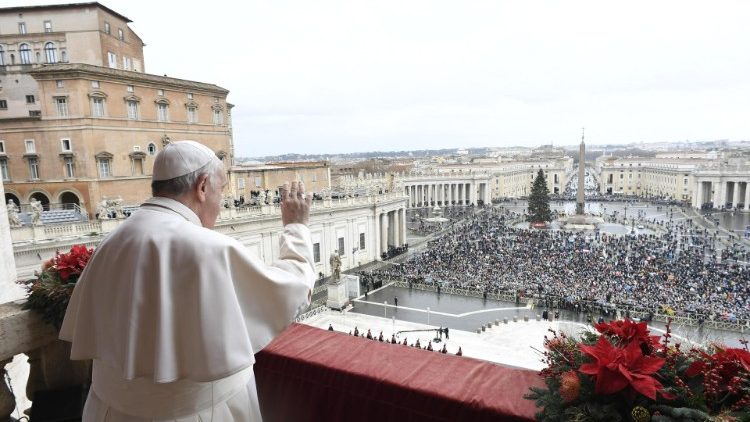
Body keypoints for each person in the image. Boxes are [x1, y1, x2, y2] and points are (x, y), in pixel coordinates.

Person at [60, 141, 315, 421]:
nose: (221, 203)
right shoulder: (209, 248)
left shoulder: (111, 242)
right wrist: (296, 226)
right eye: (222, 190)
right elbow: (294, 290)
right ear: (203, 186)